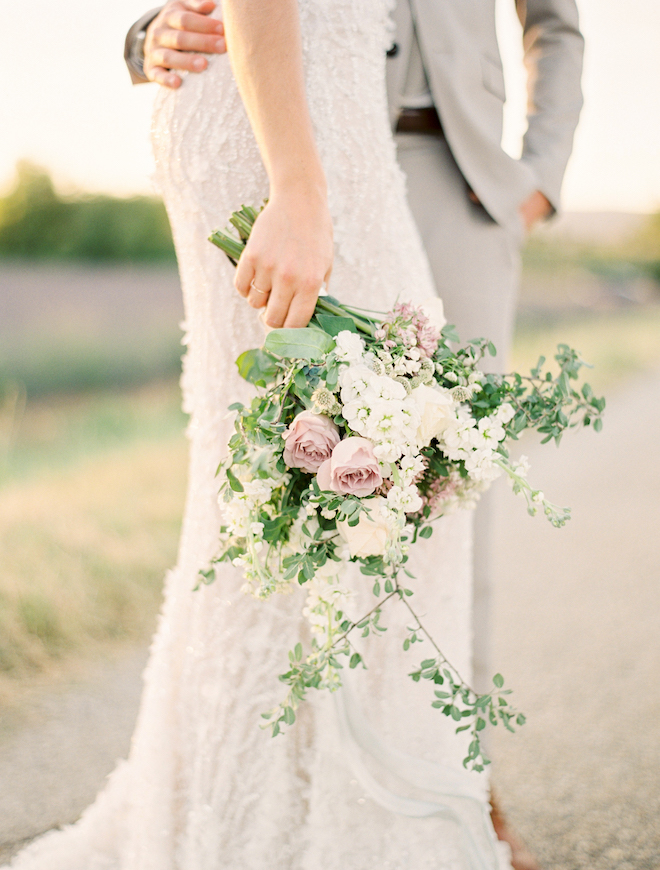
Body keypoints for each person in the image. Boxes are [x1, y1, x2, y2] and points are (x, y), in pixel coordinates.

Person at [5, 1, 581, 868]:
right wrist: (145, 35)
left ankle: (437, 786)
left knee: (437, 481)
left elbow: (555, 20)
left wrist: (539, 171)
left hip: (449, 165)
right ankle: (319, 810)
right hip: (298, 126)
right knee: (290, 481)